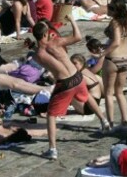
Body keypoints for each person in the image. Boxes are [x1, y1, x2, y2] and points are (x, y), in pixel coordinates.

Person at [32, 18, 110, 160]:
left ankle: (52, 149)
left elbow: (42, 56)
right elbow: (78, 37)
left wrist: (34, 45)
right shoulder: (56, 42)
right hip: (77, 77)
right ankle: (104, 122)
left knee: (51, 114)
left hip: (65, 83)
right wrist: (72, 20)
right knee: (86, 96)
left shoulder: (37, 55)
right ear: (46, 34)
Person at [100, 0, 127, 131]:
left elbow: (116, 42)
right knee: (120, 93)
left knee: (108, 92)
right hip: (126, 58)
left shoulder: (115, 23)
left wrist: (103, 53)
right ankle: (125, 123)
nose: (107, 9)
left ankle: (110, 125)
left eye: (109, 7)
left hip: (113, 58)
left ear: (114, 10)